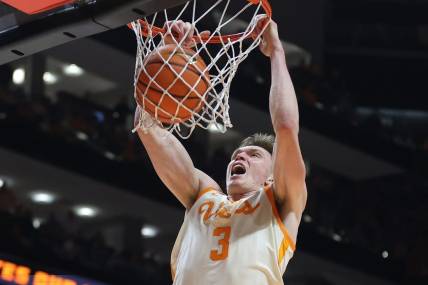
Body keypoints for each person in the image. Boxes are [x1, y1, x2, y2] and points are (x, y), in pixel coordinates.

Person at [134, 16, 307, 285]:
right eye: (238, 154)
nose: (240, 156)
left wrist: (276, 52)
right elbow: (147, 128)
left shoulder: (281, 201)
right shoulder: (203, 195)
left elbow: (285, 126)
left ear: (272, 176)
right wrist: (168, 53)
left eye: (255, 155)